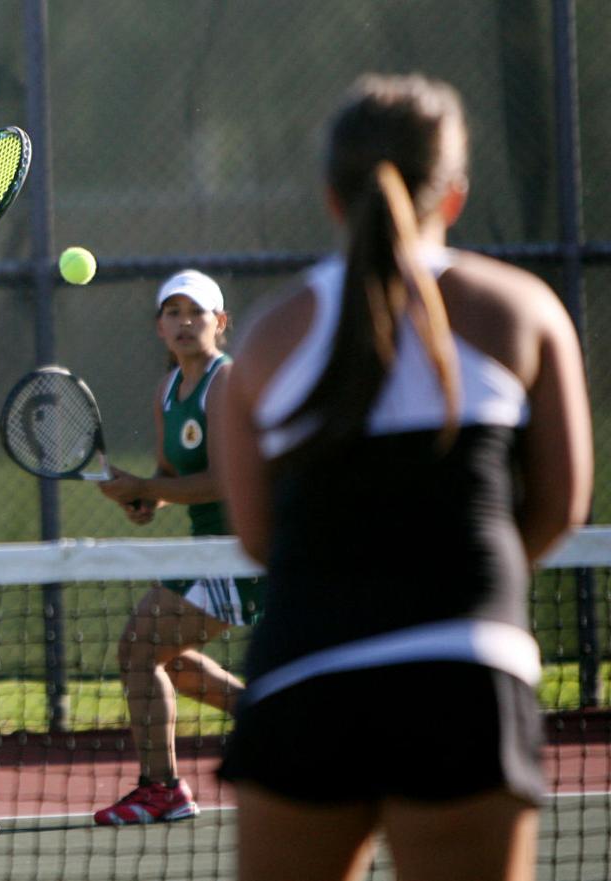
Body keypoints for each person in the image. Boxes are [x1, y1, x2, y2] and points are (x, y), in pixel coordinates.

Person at [217, 74, 592, 881]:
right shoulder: (523, 309)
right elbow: (562, 504)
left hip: (301, 685)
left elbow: (257, 536)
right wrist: (460, 583)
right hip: (466, 684)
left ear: (331, 198)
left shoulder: (267, 338)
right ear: (453, 195)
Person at [92, 269, 264, 826]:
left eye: (197, 312)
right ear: (160, 327)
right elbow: (171, 475)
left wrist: (146, 487)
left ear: (221, 321)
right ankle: (269, 717)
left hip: (245, 548)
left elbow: (225, 480)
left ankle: (162, 789)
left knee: (138, 649)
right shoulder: (168, 390)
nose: (185, 322)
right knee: (157, 655)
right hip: (205, 551)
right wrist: (144, 498)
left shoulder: (226, 381)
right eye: (174, 312)